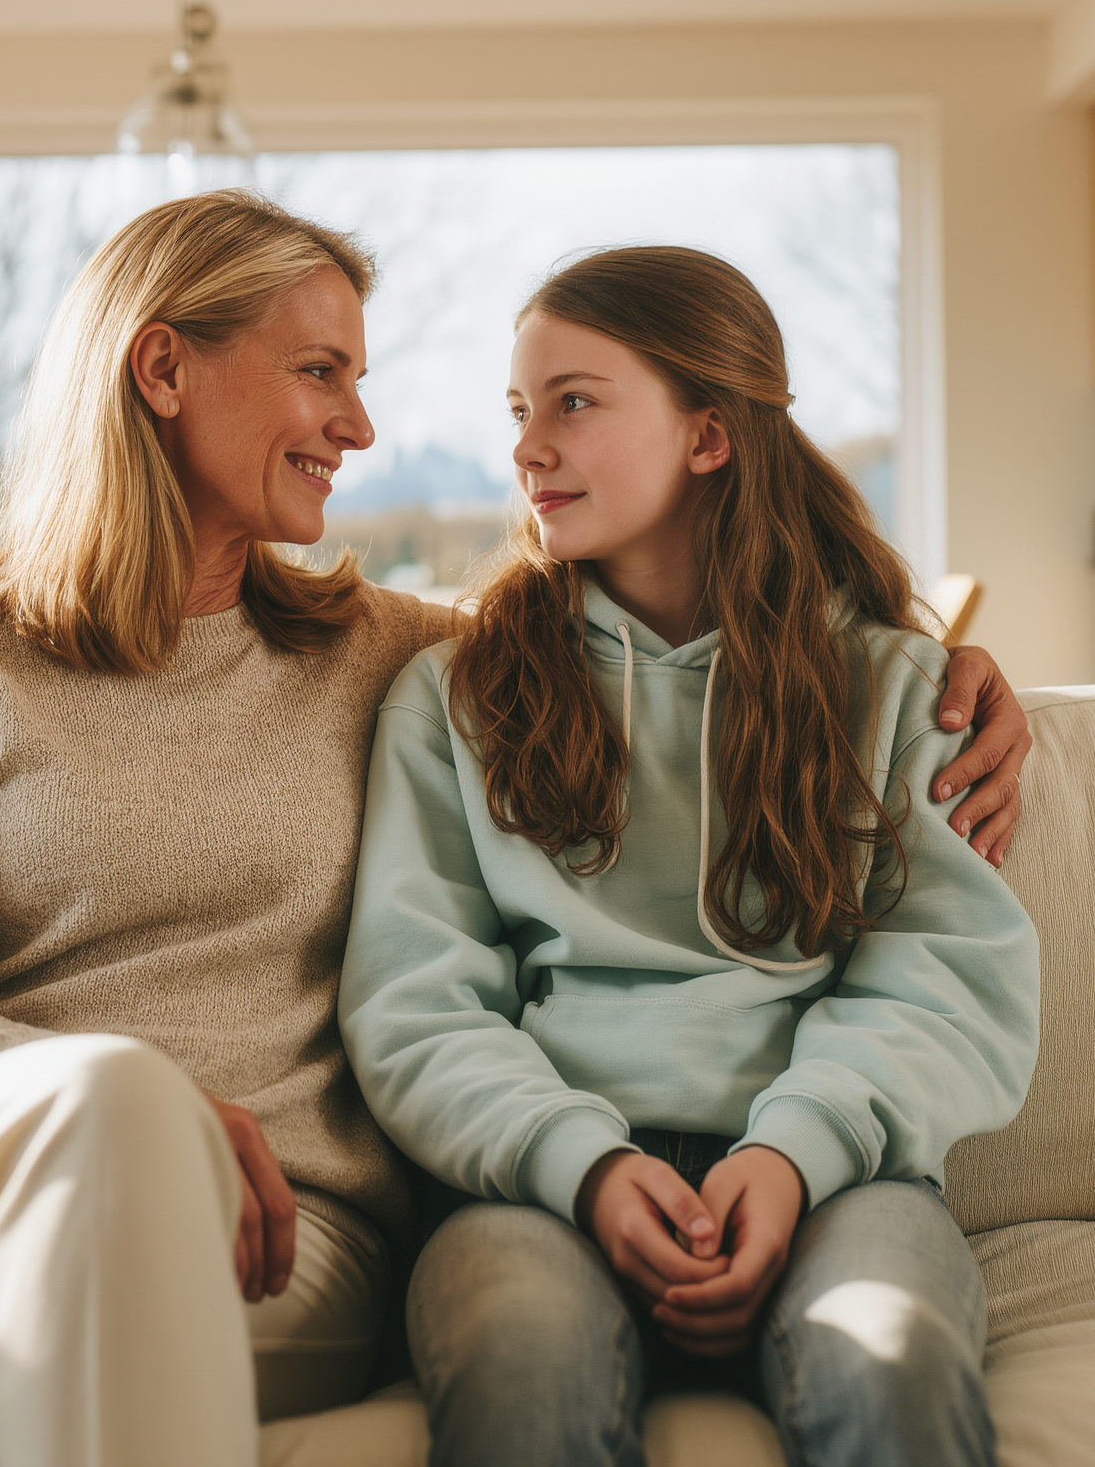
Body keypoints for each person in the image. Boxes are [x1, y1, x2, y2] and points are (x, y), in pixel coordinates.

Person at [0, 193, 1037, 1467]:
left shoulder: (385, 659)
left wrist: (947, 676)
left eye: (357, 380)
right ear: (160, 367)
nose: (360, 426)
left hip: (264, 1230)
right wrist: (104, 1107)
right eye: (320, 372)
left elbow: (660, 648)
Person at [339, 247, 1041, 1467]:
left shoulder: (891, 689)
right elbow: (415, 998)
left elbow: (946, 977)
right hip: (534, 1183)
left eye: (572, 401)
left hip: (835, 1175)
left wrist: (789, 1154)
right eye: (517, 410)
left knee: (893, 1365)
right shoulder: (454, 697)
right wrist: (582, 1165)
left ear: (707, 437)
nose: (525, 449)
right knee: (520, 1364)